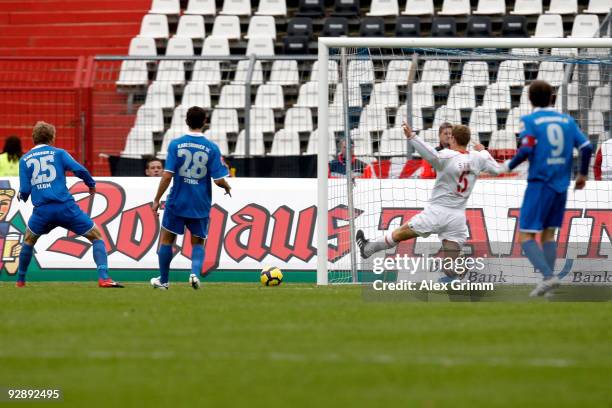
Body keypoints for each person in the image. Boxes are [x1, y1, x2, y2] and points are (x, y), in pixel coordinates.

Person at [356, 124, 505, 277]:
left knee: (399, 234)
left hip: (436, 214)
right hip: (457, 219)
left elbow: (429, 154)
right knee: (450, 268)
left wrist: (412, 137)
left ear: (452, 138)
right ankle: (463, 272)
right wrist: (483, 151)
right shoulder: (477, 158)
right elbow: (497, 169)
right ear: (468, 141)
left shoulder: (447, 156)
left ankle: (369, 248)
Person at [504, 80, 593, 297]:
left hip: (539, 184)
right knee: (548, 235)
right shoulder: (567, 120)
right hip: (561, 185)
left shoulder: (530, 121)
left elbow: (525, 149)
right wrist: (582, 174)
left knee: (525, 236)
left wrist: (506, 166)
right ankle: (549, 288)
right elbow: (586, 147)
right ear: (552, 98)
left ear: (529, 99)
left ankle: (548, 277)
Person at [16, 122, 123, 288]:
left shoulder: (24, 160)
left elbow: (24, 190)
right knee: (96, 236)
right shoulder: (59, 153)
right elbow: (79, 169)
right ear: (52, 138)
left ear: (33, 138)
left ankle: (20, 281)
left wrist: (21, 196)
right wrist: (90, 183)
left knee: (28, 240)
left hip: (42, 211)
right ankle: (104, 278)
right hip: (65, 207)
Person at [151, 107, 232, 290]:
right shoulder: (212, 148)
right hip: (200, 203)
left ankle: (163, 281)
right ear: (205, 122)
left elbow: (167, 175)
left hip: (177, 201)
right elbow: (218, 180)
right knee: (198, 242)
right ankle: (194, 273)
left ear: (186, 121)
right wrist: (226, 186)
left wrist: (157, 199)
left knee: (166, 240)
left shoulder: (175, 144)